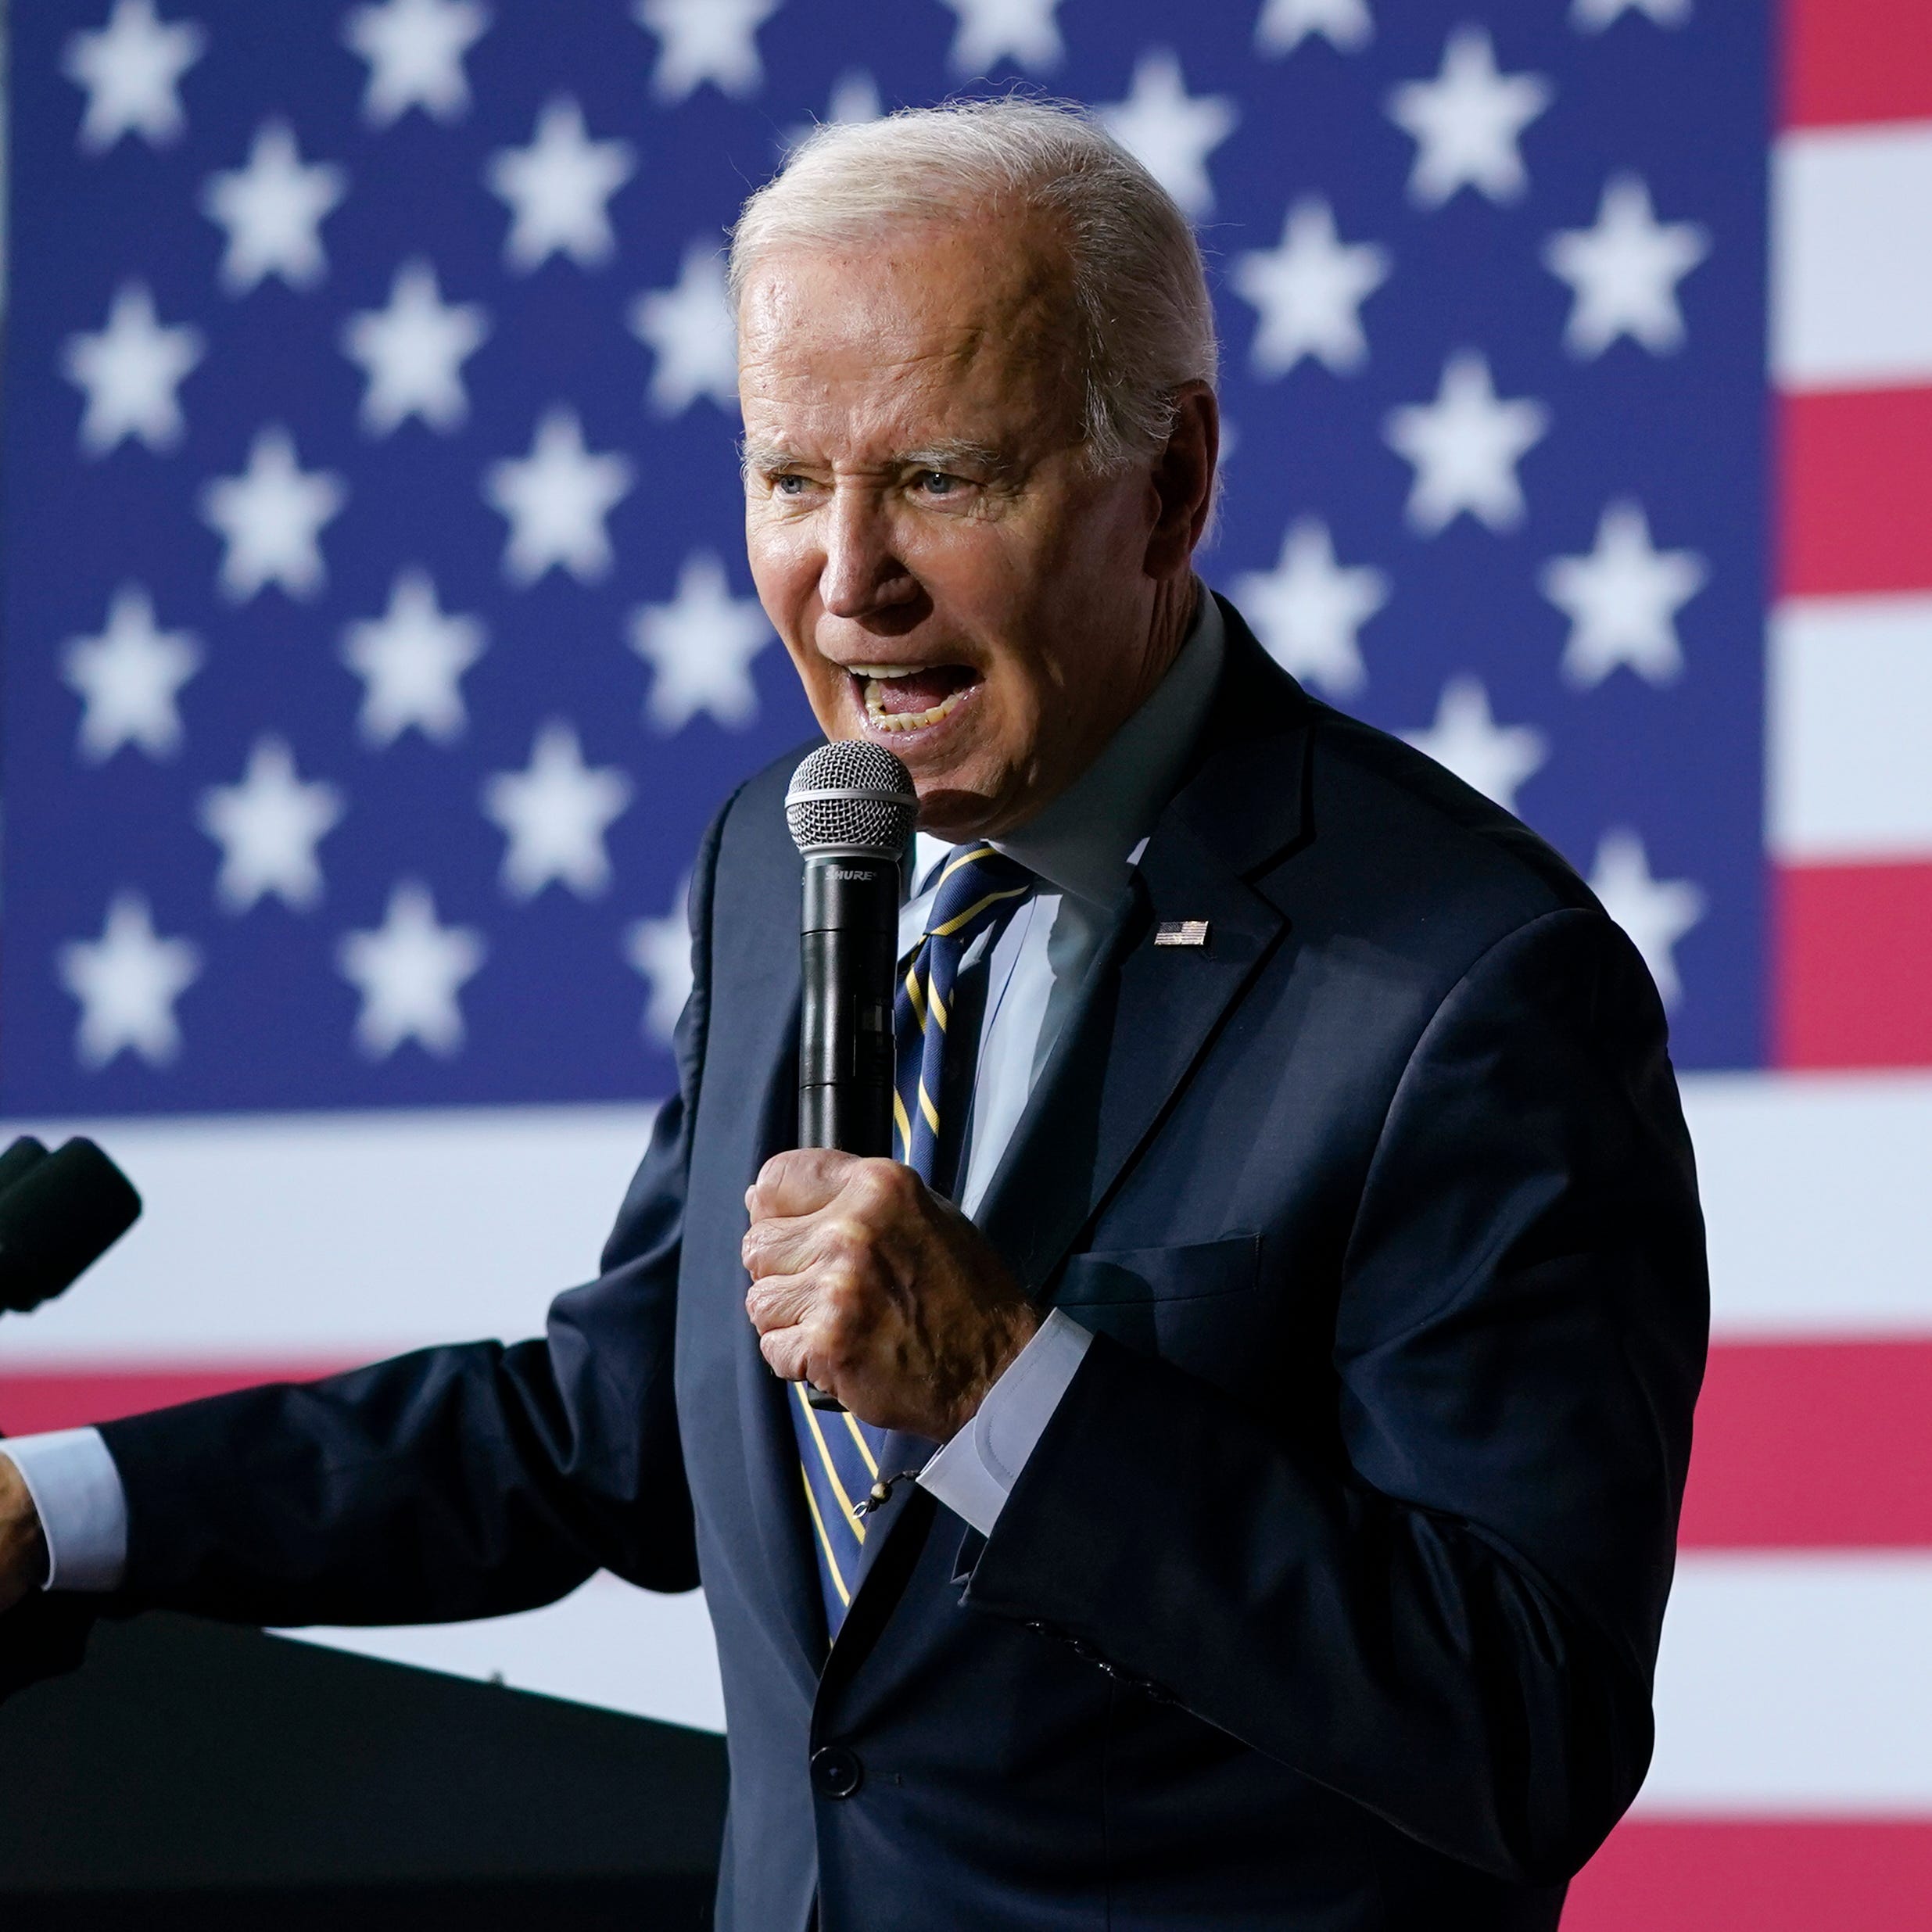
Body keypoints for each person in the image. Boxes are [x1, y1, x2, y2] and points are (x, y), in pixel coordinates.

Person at [0, 100, 1707, 1930]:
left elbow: (1528, 1720)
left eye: (944, 479)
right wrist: (61, 1508)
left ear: (1175, 484)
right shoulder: (785, 852)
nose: (846, 575)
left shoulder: (1470, 979)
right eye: (790, 479)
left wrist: (1005, 1388)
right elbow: (628, 1424)